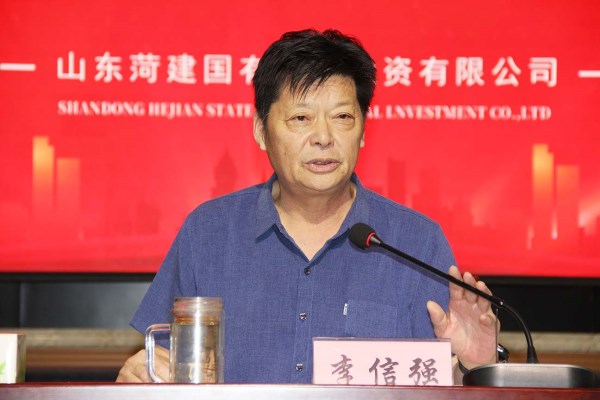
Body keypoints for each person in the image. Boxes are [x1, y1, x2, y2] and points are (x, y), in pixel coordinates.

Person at [117, 29, 498, 384]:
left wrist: (475, 365)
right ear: (261, 130)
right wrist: (139, 379)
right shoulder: (208, 232)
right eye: (301, 118)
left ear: (363, 130)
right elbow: (161, 366)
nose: (323, 137)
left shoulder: (416, 242)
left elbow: (442, 383)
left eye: (342, 117)